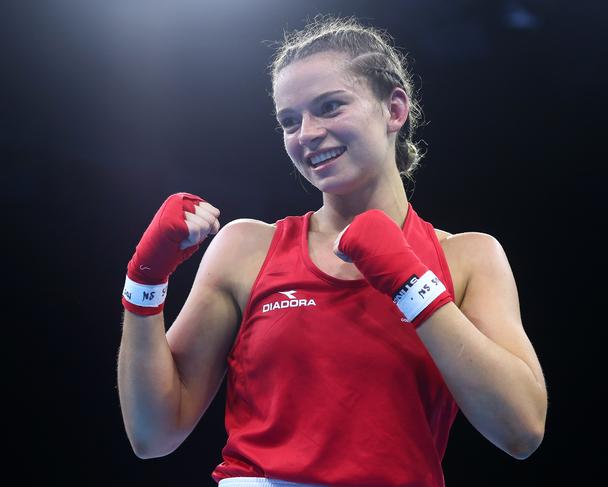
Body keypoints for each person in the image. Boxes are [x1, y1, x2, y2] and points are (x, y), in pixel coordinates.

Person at [117, 16, 547, 487]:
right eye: (289, 120)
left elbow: (521, 430)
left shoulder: (468, 258)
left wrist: (411, 281)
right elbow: (152, 435)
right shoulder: (246, 248)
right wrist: (145, 280)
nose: (306, 133)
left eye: (329, 106)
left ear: (394, 109)